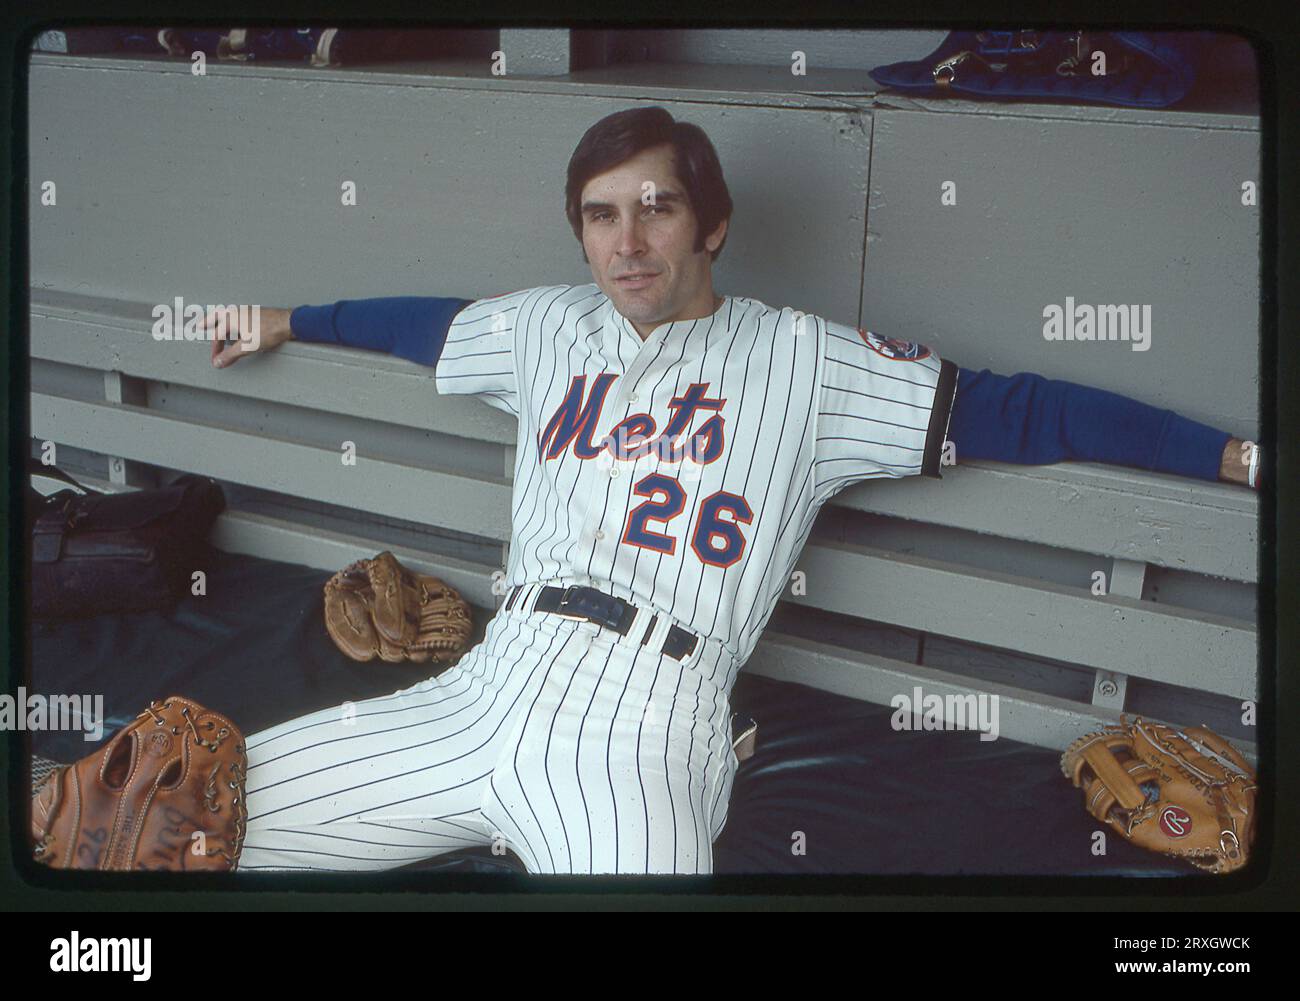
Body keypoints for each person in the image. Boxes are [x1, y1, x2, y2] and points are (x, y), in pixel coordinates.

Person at [205, 106, 1259, 875]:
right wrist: (284, 318)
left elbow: (1023, 409)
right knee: (188, 818)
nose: (626, 241)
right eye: (600, 215)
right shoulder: (543, 327)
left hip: (644, 721)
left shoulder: (805, 360)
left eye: (657, 209)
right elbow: (418, 325)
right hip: (484, 678)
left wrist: (1242, 460)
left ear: (710, 225)